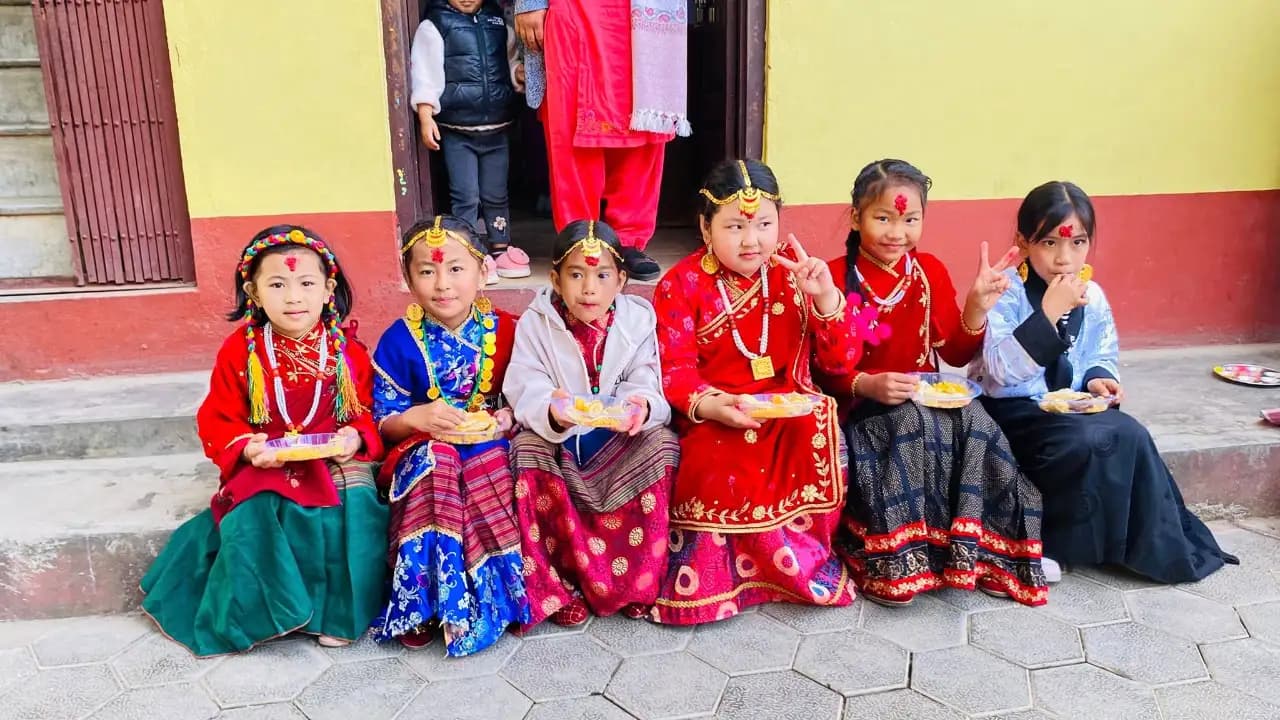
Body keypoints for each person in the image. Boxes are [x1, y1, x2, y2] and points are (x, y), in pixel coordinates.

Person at [971, 180, 1237, 583]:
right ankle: (1044, 544)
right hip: (1014, 411)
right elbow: (1000, 371)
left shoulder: (1091, 294)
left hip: (1072, 407)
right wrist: (1046, 316)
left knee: (1129, 433)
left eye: (1078, 244)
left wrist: (1100, 380)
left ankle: (1137, 545)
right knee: (1082, 442)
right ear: (1023, 242)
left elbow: (1101, 352)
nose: (1064, 258)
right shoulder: (1006, 293)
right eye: (1049, 244)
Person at [141, 226, 387, 656]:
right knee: (257, 505)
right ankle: (268, 613)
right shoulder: (241, 351)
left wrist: (354, 437)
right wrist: (246, 447)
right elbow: (218, 417)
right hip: (267, 455)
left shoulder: (347, 351)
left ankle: (342, 614)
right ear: (252, 292)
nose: (294, 297)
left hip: (332, 453)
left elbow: (364, 412)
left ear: (328, 289)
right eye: (277, 284)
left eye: (307, 284)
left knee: (358, 497)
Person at [821, 159, 1048, 607]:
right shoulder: (829, 276)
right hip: (861, 405)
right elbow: (819, 367)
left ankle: (976, 553)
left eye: (910, 219)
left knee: (977, 423)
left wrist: (977, 307)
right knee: (908, 425)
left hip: (923, 396)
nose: (896, 232)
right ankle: (896, 564)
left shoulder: (929, 271)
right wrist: (865, 385)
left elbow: (956, 354)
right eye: (882, 217)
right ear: (855, 216)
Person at [649, 159, 861, 624]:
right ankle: (716, 580)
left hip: (788, 405)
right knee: (720, 450)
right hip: (715, 407)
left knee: (819, 423)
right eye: (735, 226)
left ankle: (800, 569)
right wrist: (711, 405)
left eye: (765, 224)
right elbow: (676, 369)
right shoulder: (680, 284)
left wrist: (826, 298)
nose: (752, 240)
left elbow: (840, 365)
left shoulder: (794, 275)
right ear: (706, 228)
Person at [504, 219, 679, 628]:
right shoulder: (536, 322)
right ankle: (556, 588)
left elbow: (647, 378)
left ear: (621, 279)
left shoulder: (639, 319)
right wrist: (552, 408)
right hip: (560, 438)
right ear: (554, 279)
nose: (589, 289)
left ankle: (637, 584)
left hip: (616, 435)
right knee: (524, 451)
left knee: (662, 446)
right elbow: (524, 384)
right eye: (576, 275)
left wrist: (640, 406)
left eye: (602, 276)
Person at [369, 215, 529, 655]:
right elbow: (383, 419)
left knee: (488, 466)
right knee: (437, 468)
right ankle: (422, 605)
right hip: (423, 445)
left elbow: (530, 392)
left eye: (456, 269)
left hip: (493, 442)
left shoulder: (511, 329)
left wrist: (508, 416)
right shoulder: (397, 341)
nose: (443, 284)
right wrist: (416, 417)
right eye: (426, 270)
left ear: (483, 271)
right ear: (408, 278)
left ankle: (501, 598)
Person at [513, 0, 691, 281]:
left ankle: (629, 241)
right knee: (574, 125)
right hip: (575, 10)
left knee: (644, 125)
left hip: (648, 14)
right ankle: (580, 238)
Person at [411, 0, 530, 281]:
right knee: (465, 195)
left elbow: (510, 60)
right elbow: (425, 74)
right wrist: (426, 116)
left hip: (497, 127)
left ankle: (500, 249)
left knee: (496, 194)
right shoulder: (435, 25)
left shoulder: (498, 22)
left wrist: (519, 74)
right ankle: (469, 251)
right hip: (457, 129)